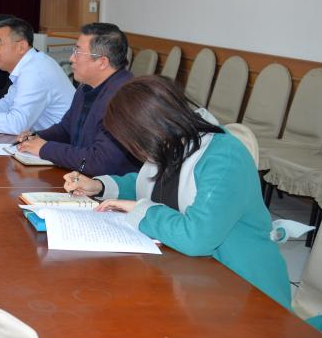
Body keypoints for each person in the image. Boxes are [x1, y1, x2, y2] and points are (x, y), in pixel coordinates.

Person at [64, 75, 291, 310]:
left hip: (245, 291)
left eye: (133, 143)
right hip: (194, 277)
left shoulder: (224, 158)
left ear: (151, 129)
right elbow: (151, 185)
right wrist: (99, 186)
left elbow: (197, 238)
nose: (133, 150)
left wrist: (142, 210)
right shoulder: (174, 140)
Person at [15, 22, 139, 176]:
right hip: (81, 177)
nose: (71, 58)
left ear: (102, 62)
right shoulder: (86, 87)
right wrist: (37, 137)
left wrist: (44, 149)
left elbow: (100, 162)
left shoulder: (126, 98)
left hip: (110, 185)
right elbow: (66, 129)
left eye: (78, 52)